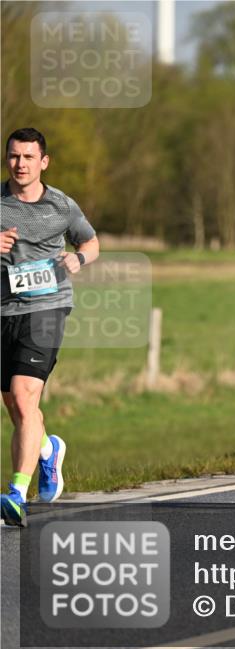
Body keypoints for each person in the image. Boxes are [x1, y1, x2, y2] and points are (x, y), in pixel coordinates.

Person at [1, 128, 99, 526]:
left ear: (44, 161)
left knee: (25, 397)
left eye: (28, 157)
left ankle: (15, 494)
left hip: (47, 307)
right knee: (14, 404)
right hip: (3, 309)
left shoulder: (61, 205)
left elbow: (91, 242)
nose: (20, 164)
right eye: (13, 156)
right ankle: (47, 451)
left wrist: (79, 260)